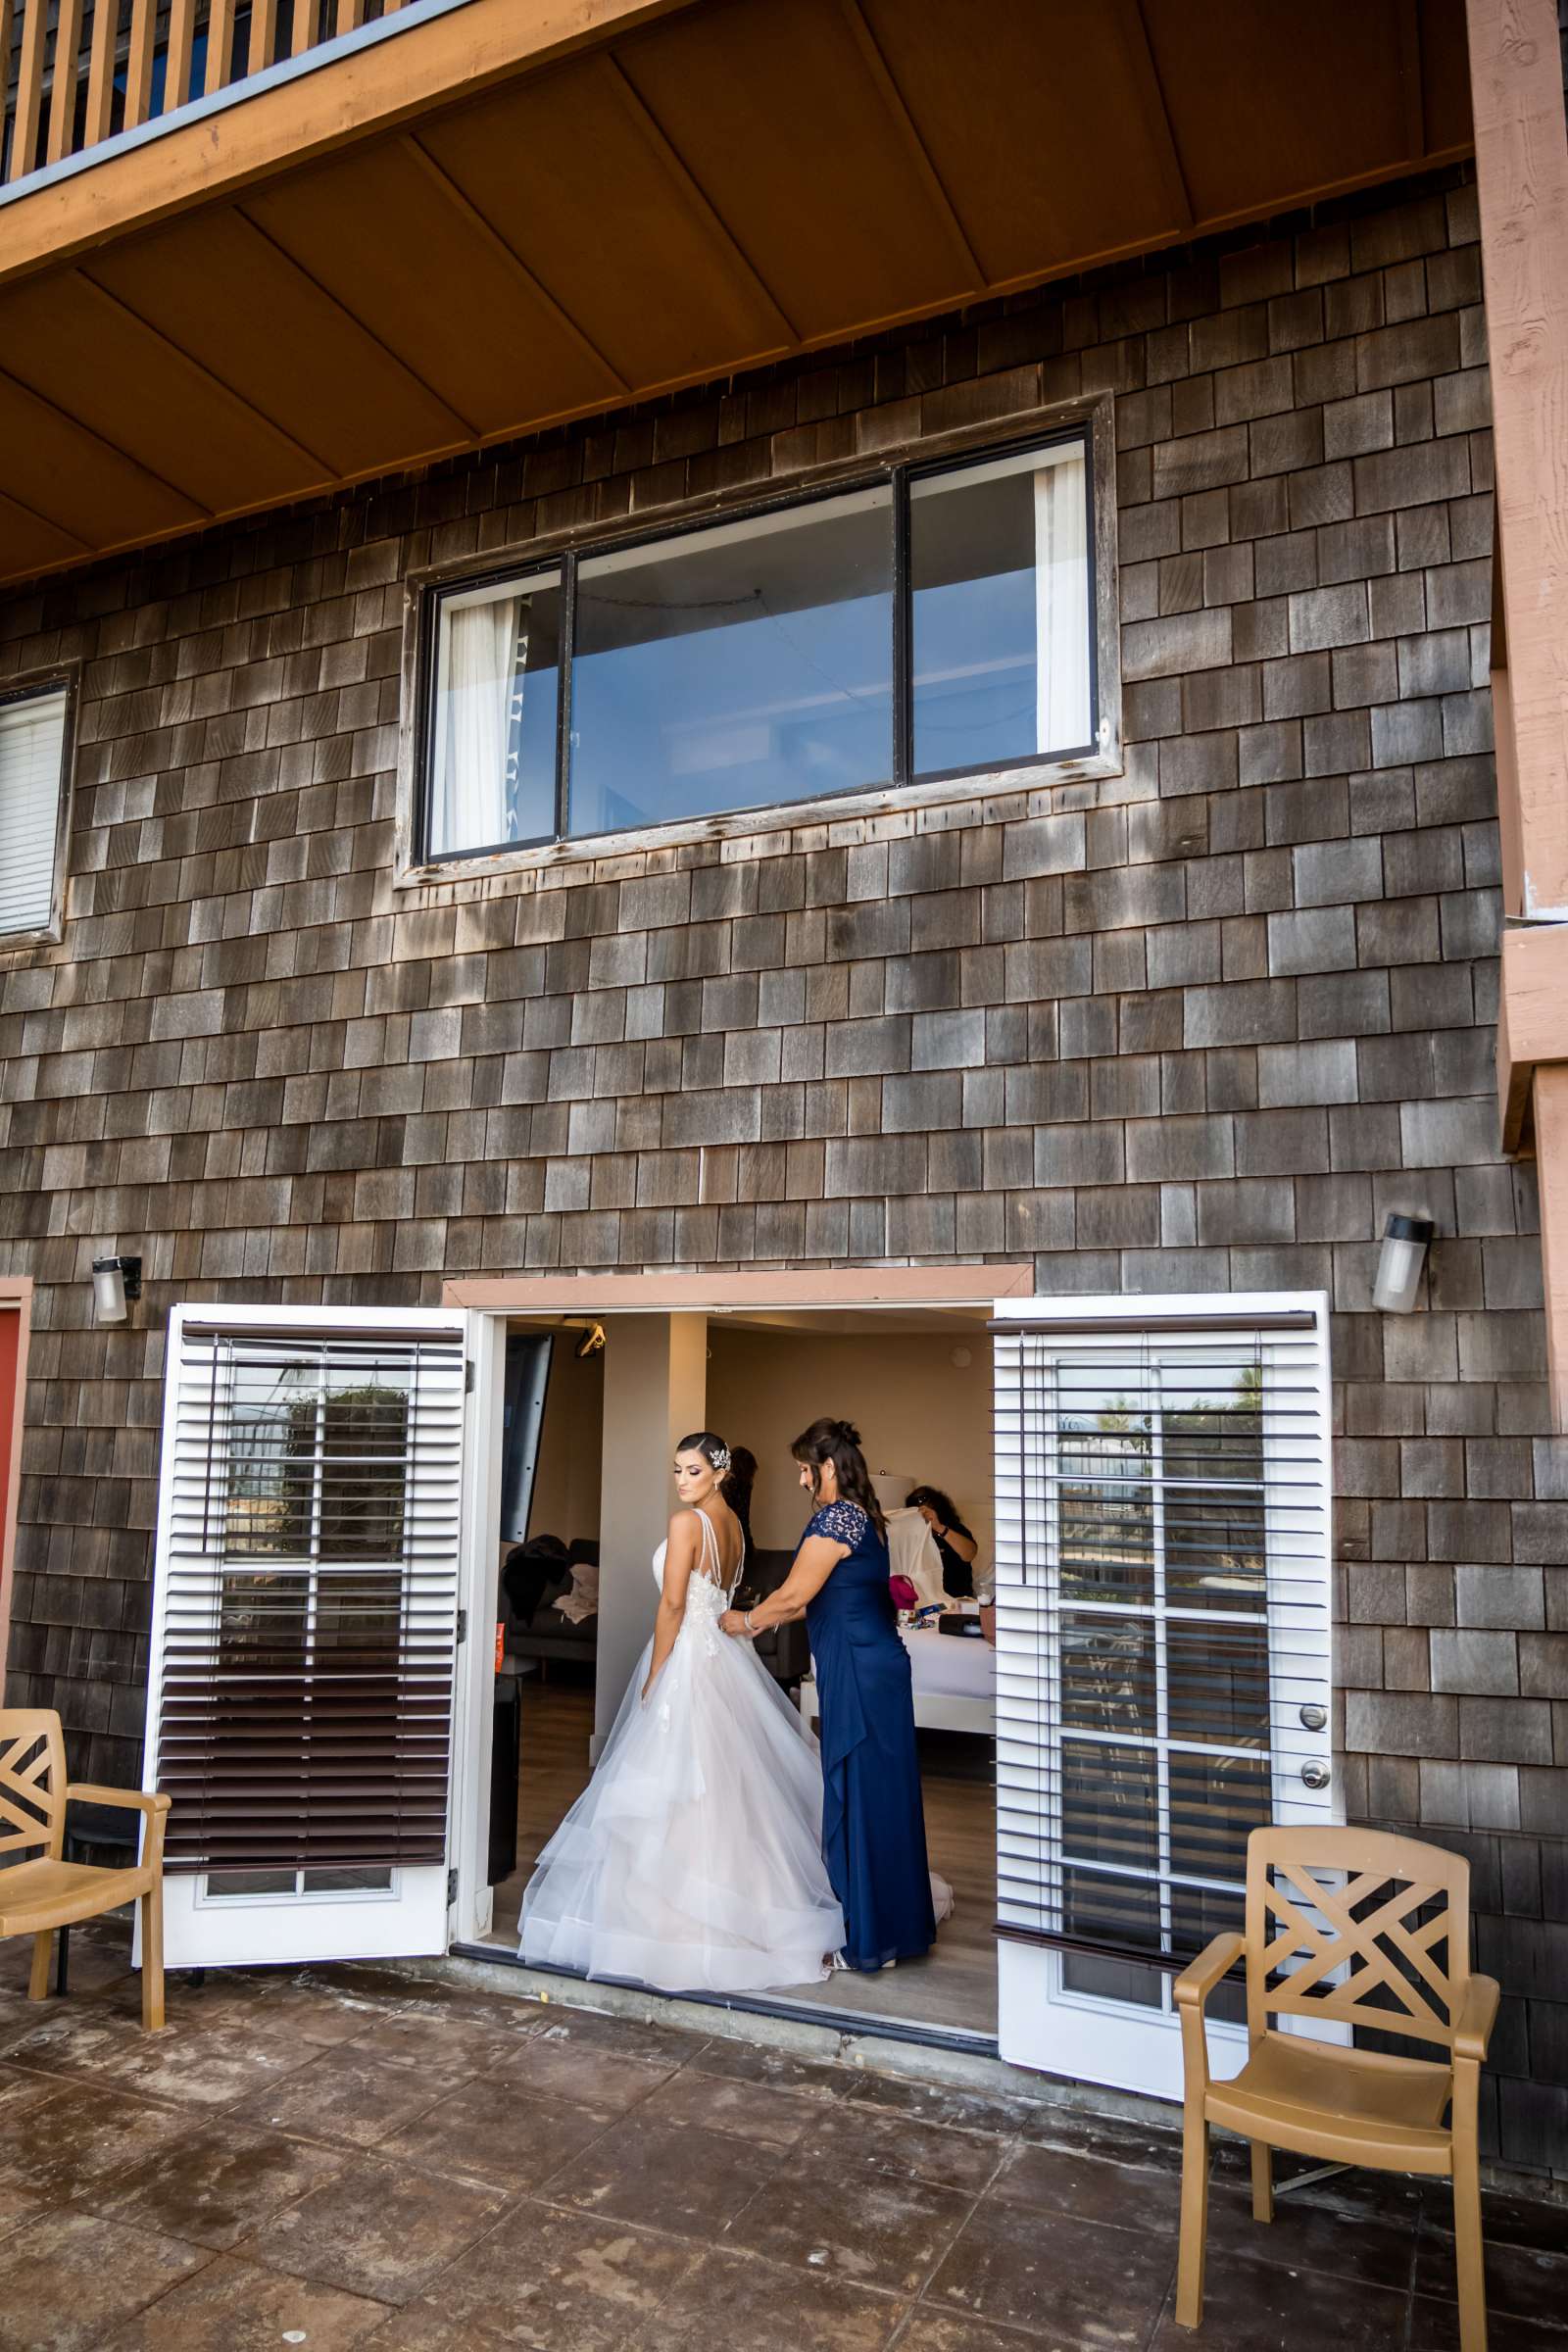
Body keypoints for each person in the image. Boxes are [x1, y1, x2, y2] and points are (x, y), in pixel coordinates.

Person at [518, 1432, 844, 1992]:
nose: (682, 1481)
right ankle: (745, 1905)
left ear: (718, 1474)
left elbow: (671, 1603)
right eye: (676, 1471)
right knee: (724, 1783)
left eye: (692, 1471)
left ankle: (667, 1923)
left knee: (675, 1783)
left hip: (689, 1657)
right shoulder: (733, 1527)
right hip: (723, 1654)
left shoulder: (686, 1524)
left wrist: (655, 1673)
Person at [722, 1417, 946, 1973]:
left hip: (859, 1671)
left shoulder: (836, 1518)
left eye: (803, 1468)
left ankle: (869, 1938)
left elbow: (795, 1591)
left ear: (826, 1467)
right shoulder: (862, 1518)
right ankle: (893, 1927)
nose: (800, 1480)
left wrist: (743, 1619)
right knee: (882, 1797)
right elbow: (808, 1602)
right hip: (877, 1667)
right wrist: (763, 1621)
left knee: (862, 1796)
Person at [906, 1485, 979, 1600]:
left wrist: (938, 1527)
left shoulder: (954, 1529)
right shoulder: (910, 1536)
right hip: (923, 1601)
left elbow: (969, 1554)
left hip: (956, 1599)